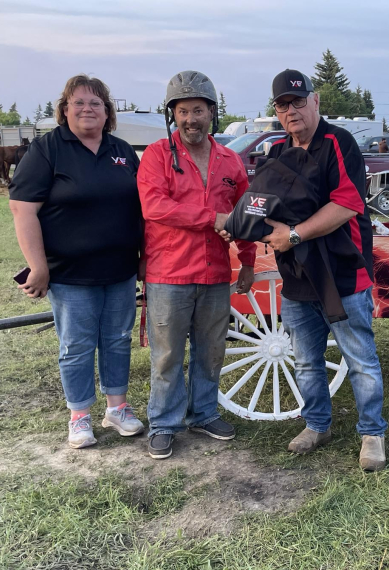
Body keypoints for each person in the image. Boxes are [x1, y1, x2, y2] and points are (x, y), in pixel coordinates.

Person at [259, 69, 388, 471]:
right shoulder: (277, 154)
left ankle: (372, 433)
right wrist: (242, 225)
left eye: (299, 101)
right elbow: (261, 206)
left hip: (342, 274)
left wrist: (293, 235)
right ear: (277, 112)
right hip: (298, 278)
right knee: (306, 361)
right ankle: (317, 424)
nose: (292, 110)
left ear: (315, 102)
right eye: (283, 104)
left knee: (361, 360)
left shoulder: (339, 142)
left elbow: (347, 204)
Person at [9, 74, 144, 449]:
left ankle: (117, 408)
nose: (87, 109)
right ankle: (80, 416)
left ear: (108, 112)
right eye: (79, 103)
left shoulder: (122, 151)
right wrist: (38, 266)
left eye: (95, 104)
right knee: (77, 344)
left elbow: (141, 210)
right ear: (64, 110)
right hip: (70, 273)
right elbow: (23, 210)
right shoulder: (47, 150)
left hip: (119, 269)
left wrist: (143, 259)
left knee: (117, 339)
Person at [137, 70, 256, 460]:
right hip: (168, 274)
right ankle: (164, 423)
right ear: (173, 114)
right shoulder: (157, 156)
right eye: (184, 110)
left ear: (212, 114)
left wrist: (250, 262)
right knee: (167, 354)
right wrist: (212, 218)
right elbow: (155, 207)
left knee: (211, 350)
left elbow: (244, 216)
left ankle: (203, 413)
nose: (191, 119)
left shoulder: (230, 161)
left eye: (199, 110)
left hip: (216, 273)